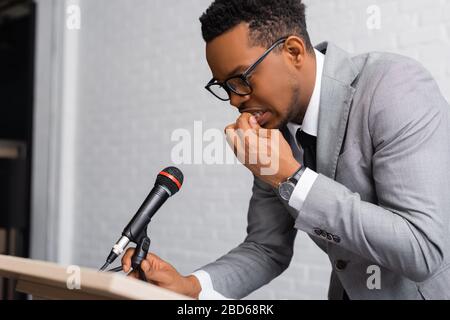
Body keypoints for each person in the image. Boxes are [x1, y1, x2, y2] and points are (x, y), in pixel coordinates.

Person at [122, 0, 450, 300]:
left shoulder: (394, 87)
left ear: (293, 52)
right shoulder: (274, 132)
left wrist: (290, 177)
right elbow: (267, 248)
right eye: (225, 87)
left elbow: (423, 249)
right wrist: (190, 287)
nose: (235, 100)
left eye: (241, 79)